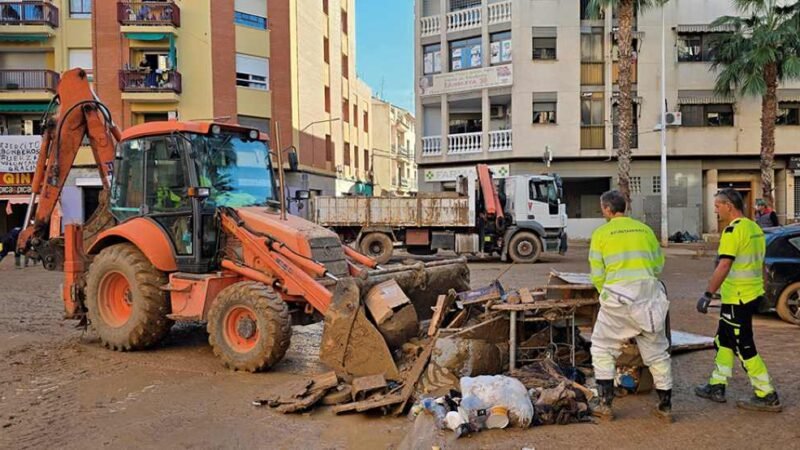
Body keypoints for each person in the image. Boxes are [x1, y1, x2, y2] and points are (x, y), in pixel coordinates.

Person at [588, 190, 672, 422]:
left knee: (602, 348)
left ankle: (605, 405)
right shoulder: (645, 230)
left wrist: (605, 293)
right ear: (625, 208)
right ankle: (665, 406)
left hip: (617, 298)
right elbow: (657, 266)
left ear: (606, 209)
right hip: (649, 298)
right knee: (657, 352)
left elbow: (597, 273)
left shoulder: (601, 233)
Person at [695, 188, 781, 412]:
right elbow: (760, 262)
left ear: (728, 206)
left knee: (744, 345)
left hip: (737, 298)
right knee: (723, 340)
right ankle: (717, 384)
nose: (716, 210)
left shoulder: (733, 232)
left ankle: (766, 393)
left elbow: (724, 265)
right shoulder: (755, 228)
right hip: (750, 294)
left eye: (717, 206)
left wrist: (708, 293)